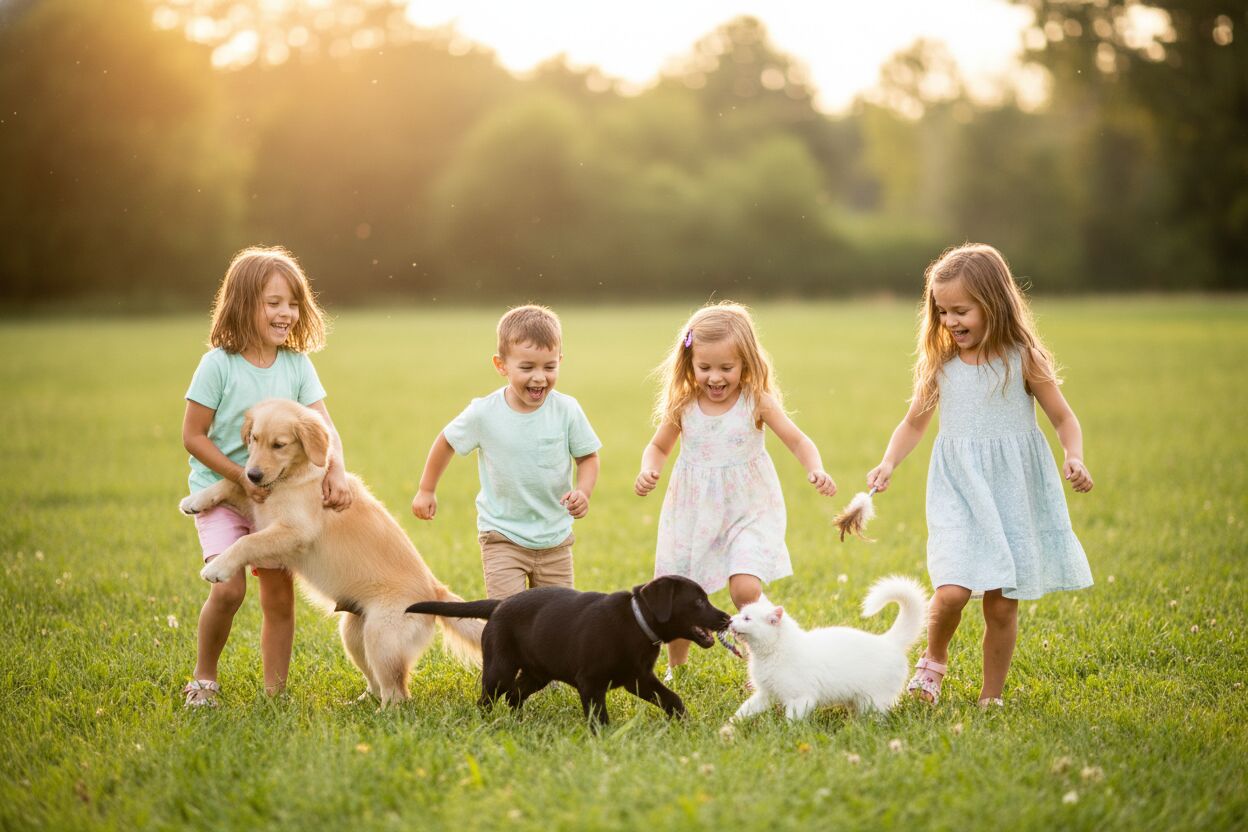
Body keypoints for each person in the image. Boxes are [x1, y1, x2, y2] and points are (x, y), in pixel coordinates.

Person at [867, 243, 1093, 707]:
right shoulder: (941, 366)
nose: (950, 321)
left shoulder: (1024, 359)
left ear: (993, 304)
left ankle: (992, 696)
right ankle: (933, 662)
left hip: (1012, 490)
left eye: (961, 310)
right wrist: (889, 462)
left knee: (1001, 602)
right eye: (942, 311)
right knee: (950, 592)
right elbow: (914, 423)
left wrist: (1074, 455)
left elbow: (1064, 418)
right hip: (958, 488)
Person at [180, 246, 350, 706]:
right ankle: (204, 680)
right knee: (229, 586)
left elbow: (324, 427)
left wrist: (337, 472)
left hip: (280, 498)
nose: (286, 313)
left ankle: (275, 694)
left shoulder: (296, 364)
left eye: (292, 303)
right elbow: (193, 436)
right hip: (225, 493)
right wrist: (240, 475)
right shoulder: (219, 364)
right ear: (242, 304)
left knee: (278, 596)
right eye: (273, 302)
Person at [635, 302, 837, 679]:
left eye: (726, 368)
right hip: (692, 512)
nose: (715, 377)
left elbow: (797, 440)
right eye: (704, 367)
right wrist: (650, 469)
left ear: (745, 363)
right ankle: (677, 668)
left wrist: (816, 469)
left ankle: (769, 661)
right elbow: (658, 446)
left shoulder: (756, 402)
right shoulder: (684, 404)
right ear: (689, 362)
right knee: (675, 590)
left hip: (748, 510)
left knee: (745, 586)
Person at [411, 305, 600, 599]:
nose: (539, 377)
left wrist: (583, 491)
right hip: (502, 537)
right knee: (507, 615)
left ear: (560, 361)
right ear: (501, 365)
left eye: (549, 367)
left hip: (555, 540)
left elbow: (587, 457)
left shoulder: (567, 410)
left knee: (557, 619)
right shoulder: (484, 413)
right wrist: (426, 489)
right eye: (527, 367)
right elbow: (446, 441)